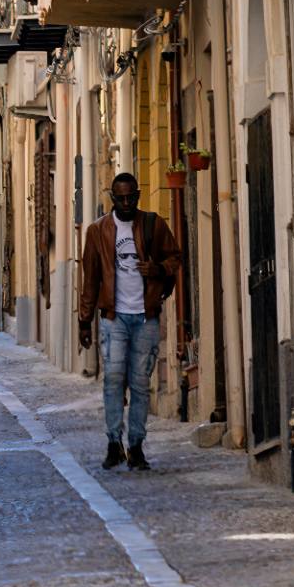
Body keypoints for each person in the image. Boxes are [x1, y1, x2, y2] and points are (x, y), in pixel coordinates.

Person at [78, 172, 182, 471]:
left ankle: (136, 446)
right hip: (114, 317)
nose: (126, 203)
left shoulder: (153, 224)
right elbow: (90, 279)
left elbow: (175, 258)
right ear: (113, 198)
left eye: (130, 197)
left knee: (139, 383)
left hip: (146, 317)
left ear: (137, 196)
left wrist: (157, 269)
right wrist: (84, 320)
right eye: (120, 198)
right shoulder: (97, 231)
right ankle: (114, 443)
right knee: (112, 379)